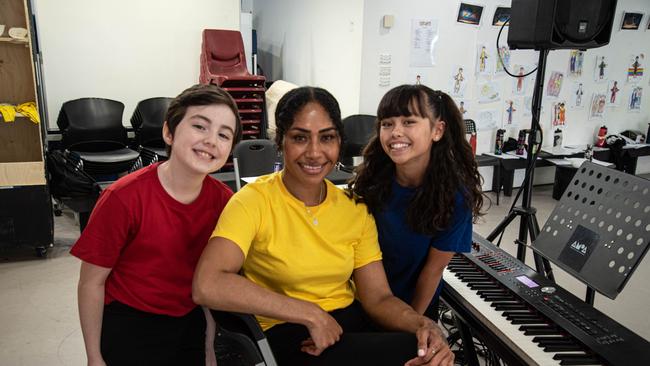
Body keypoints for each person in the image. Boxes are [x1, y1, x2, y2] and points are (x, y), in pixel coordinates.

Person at [193, 86, 454, 366]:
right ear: (280, 141)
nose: (315, 152)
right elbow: (207, 284)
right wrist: (309, 313)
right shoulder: (252, 202)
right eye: (300, 138)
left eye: (326, 138)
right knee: (410, 353)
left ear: (339, 142)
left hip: (346, 325)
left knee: (424, 349)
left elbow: (378, 298)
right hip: (289, 333)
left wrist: (423, 325)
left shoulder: (354, 207)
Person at [72, 84, 242, 366]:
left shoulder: (226, 202)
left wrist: (210, 346)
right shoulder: (122, 197)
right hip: (131, 321)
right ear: (168, 132)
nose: (212, 140)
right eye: (200, 126)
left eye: (224, 134)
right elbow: (91, 283)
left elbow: (214, 283)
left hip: (189, 320)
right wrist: (94, 356)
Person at [350, 85, 483, 319]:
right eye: (387, 123)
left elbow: (432, 272)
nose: (395, 132)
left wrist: (412, 324)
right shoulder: (371, 181)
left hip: (412, 306)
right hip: (359, 302)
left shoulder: (454, 198)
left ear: (437, 130)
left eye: (409, 122)